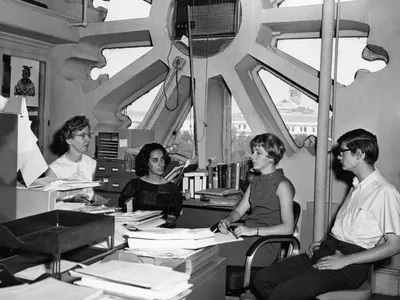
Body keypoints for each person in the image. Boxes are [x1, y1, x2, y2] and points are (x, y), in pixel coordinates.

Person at [252, 128, 400, 300]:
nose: (338, 157)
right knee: (262, 279)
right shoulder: (356, 186)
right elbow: (348, 226)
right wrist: (323, 242)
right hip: (328, 249)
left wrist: (345, 260)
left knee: (283, 294)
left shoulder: (384, 191)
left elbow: (395, 245)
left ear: (359, 154)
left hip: (350, 263)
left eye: (342, 152)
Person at [217, 133, 295, 267]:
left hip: (262, 245)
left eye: (258, 153)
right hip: (246, 237)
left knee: (209, 255)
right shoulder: (255, 181)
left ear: (271, 158)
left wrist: (254, 231)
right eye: (253, 152)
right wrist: (228, 220)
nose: (252, 157)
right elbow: (238, 212)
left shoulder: (283, 185)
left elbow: (288, 228)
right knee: (205, 247)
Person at [118, 142, 183, 220]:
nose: (160, 164)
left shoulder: (172, 189)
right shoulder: (134, 186)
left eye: (162, 159)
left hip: (162, 230)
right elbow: (124, 212)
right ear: (146, 162)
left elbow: (172, 218)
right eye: (155, 160)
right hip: (137, 229)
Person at [46, 116, 97, 201]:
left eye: (88, 135)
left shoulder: (91, 163)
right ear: (69, 140)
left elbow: (89, 193)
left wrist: (95, 198)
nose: (88, 139)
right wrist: (72, 200)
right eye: (82, 135)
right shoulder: (54, 170)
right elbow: (48, 202)